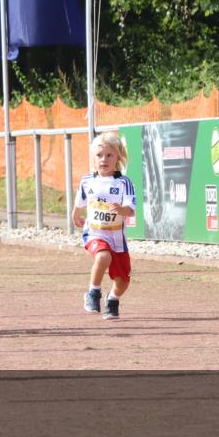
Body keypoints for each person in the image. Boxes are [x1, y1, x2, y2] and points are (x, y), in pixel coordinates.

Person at [72, 132, 136, 321]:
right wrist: (75, 215)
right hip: (94, 233)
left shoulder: (124, 183)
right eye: (99, 155)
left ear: (118, 158)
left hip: (117, 239)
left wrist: (122, 209)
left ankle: (113, 300)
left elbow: (131, 210)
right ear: (93, 158)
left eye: (109, 155)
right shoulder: (87, 181)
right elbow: (79, 202)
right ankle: (93, 293)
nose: (104, 159)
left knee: (123, 282)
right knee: (103, 256)